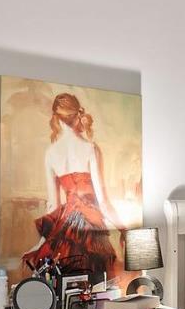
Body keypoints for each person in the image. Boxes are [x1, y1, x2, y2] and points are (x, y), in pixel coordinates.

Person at [20, 92, 122, 282]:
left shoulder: (51, 153)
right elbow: (104, 202)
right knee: (96, 288)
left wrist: (42, 242)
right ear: (77, 115)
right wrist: (124, 230)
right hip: (90, 228)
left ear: (57, 118)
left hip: (65, 230)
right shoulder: (90, 149)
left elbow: (53, 206)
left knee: (66, 286)